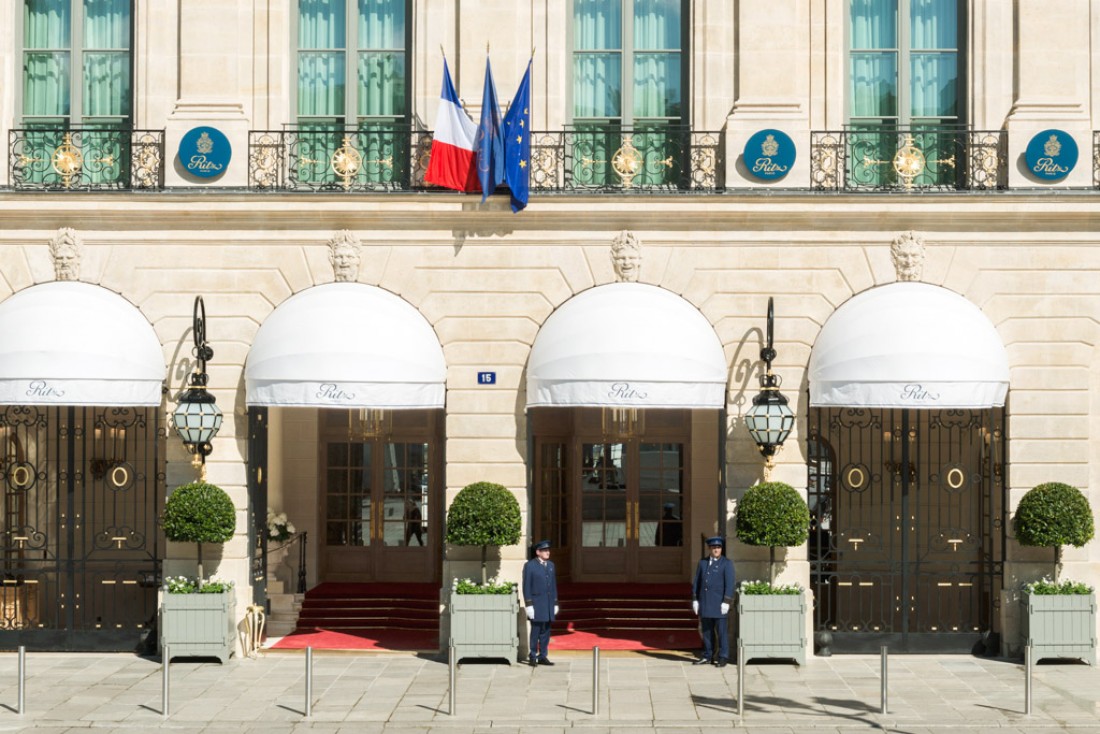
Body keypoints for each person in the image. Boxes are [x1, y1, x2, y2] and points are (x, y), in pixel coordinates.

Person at [691, 536, 735, 667]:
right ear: (709, 548)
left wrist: (726, 601)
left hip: (719, 604)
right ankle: (707, 655)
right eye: (714, 547)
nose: (716, 550)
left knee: (721, 632)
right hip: (705, 603)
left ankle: (723, 656)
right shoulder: (703, 563)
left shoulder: (726, 563)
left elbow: (730, 584)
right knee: (707, 632)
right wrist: (695, 599)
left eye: (719, 547)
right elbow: (697, 582)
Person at [522, 539, 559, 666]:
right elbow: (526, 586)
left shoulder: (551, 565)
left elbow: (553, 585)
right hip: (537, 604)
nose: (548, 552)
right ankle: (532, 655)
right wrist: (529, 605)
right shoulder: (530, 566)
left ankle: (543, 655)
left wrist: (555, 603)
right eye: (544, 550)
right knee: (536, 631)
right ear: (538, 552)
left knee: (546, 631)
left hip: (548, 604)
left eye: (548, 550)